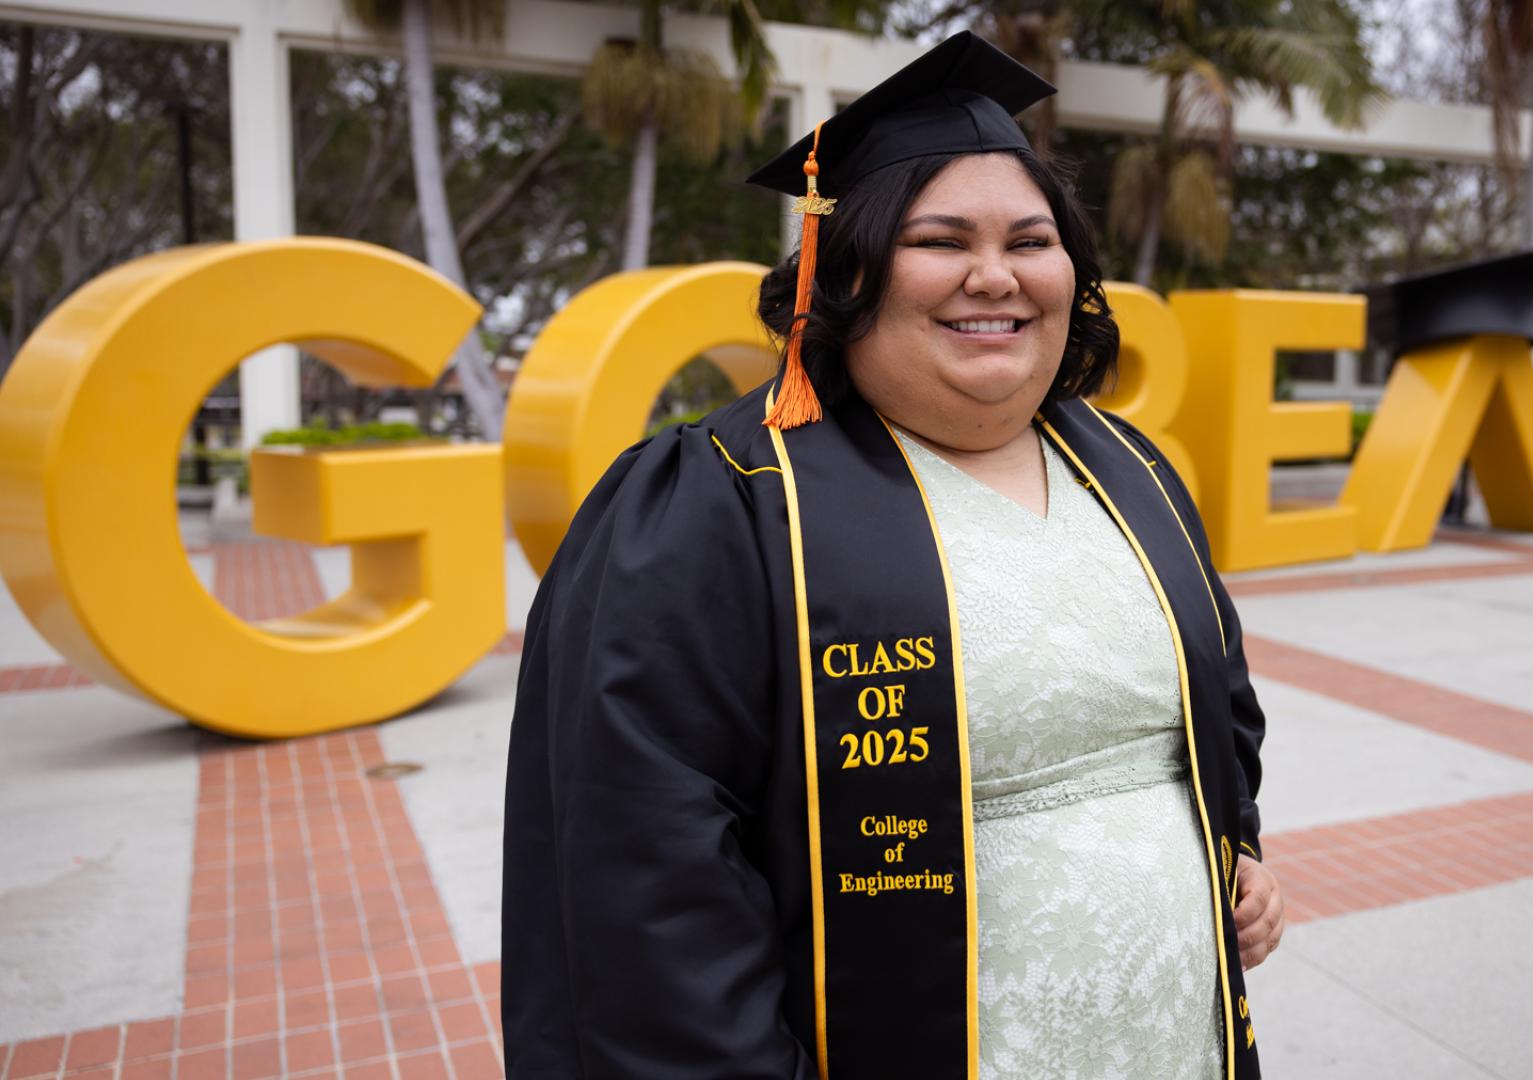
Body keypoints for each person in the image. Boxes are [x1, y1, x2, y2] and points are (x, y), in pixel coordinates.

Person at [504, 31, 1284, 1080]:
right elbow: (647, 876)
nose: (994, 277)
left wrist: (1236, 857)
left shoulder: (1129, 470)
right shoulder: (720, 503)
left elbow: (1213, 712)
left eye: (1031, 240)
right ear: (849, 267)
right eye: (941, 239)